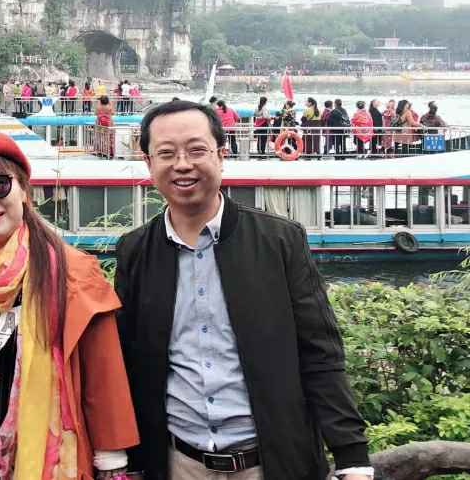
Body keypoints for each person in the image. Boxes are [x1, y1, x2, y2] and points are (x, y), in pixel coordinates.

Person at [114, 101, 372, 480]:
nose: (182, 164)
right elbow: (127, 361)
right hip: (177, 463)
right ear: (148, 163)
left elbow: (320, 354)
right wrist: (127, 458)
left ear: (221, 155)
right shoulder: (135, 251)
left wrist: (352, 457)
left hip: (270, 462)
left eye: (196, 150)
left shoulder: (280, 241)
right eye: (166, 153)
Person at [0, 131, 139, 479]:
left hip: (47, 461)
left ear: (23, 190)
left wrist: (112, 465)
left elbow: (102, 379)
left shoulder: (73, 273)